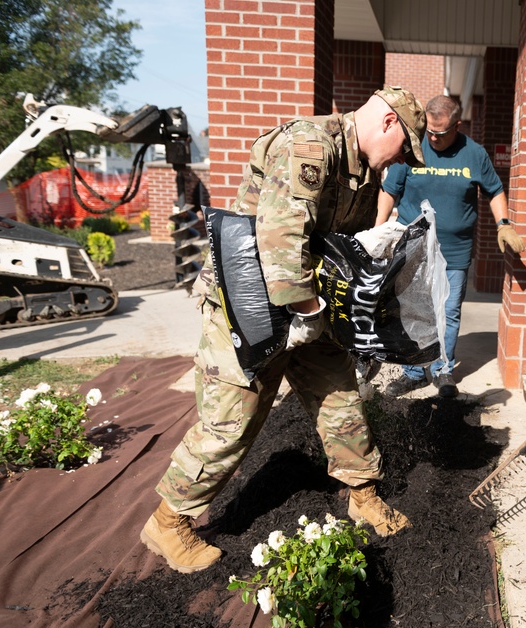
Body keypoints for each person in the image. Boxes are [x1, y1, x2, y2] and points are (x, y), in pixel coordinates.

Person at [140, 87, 428, 574]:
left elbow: (332, 245)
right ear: (388, 124)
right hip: (248, 304)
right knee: (233, 422)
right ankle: (169, 523)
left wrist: (373, 252)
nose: (399, 161)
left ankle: (362, 495)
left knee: (340, 399)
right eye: (404, 148)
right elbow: (280, 238)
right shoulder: (310, 146)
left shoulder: (359, 168)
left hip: (305, 307)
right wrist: (311, 314)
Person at [376, 95, 525, 399]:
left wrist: (504, 223)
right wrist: (379, 233)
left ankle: (443, 370)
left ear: (458, 125)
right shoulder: (413, 148)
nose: (433, 138)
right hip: (414, 247)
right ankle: (414, 372)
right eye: (430, 131)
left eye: (441, 133)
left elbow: (495, 191)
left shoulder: (474, 154)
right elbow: (389, 191)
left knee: (449, 311)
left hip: (455, 252)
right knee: (413, 308)